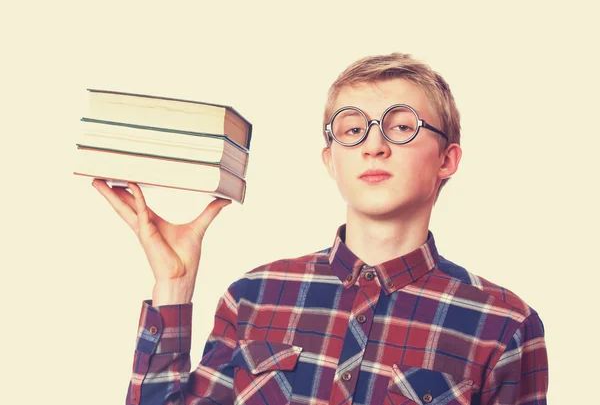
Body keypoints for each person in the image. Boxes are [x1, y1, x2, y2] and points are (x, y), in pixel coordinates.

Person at [92, 52, 549, 405]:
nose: (374, 144)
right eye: (351, 130)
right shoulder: (254, 296)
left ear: (447, 159)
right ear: (331, 160)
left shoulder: (505, 325)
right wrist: (173, 284)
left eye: (402, 127)